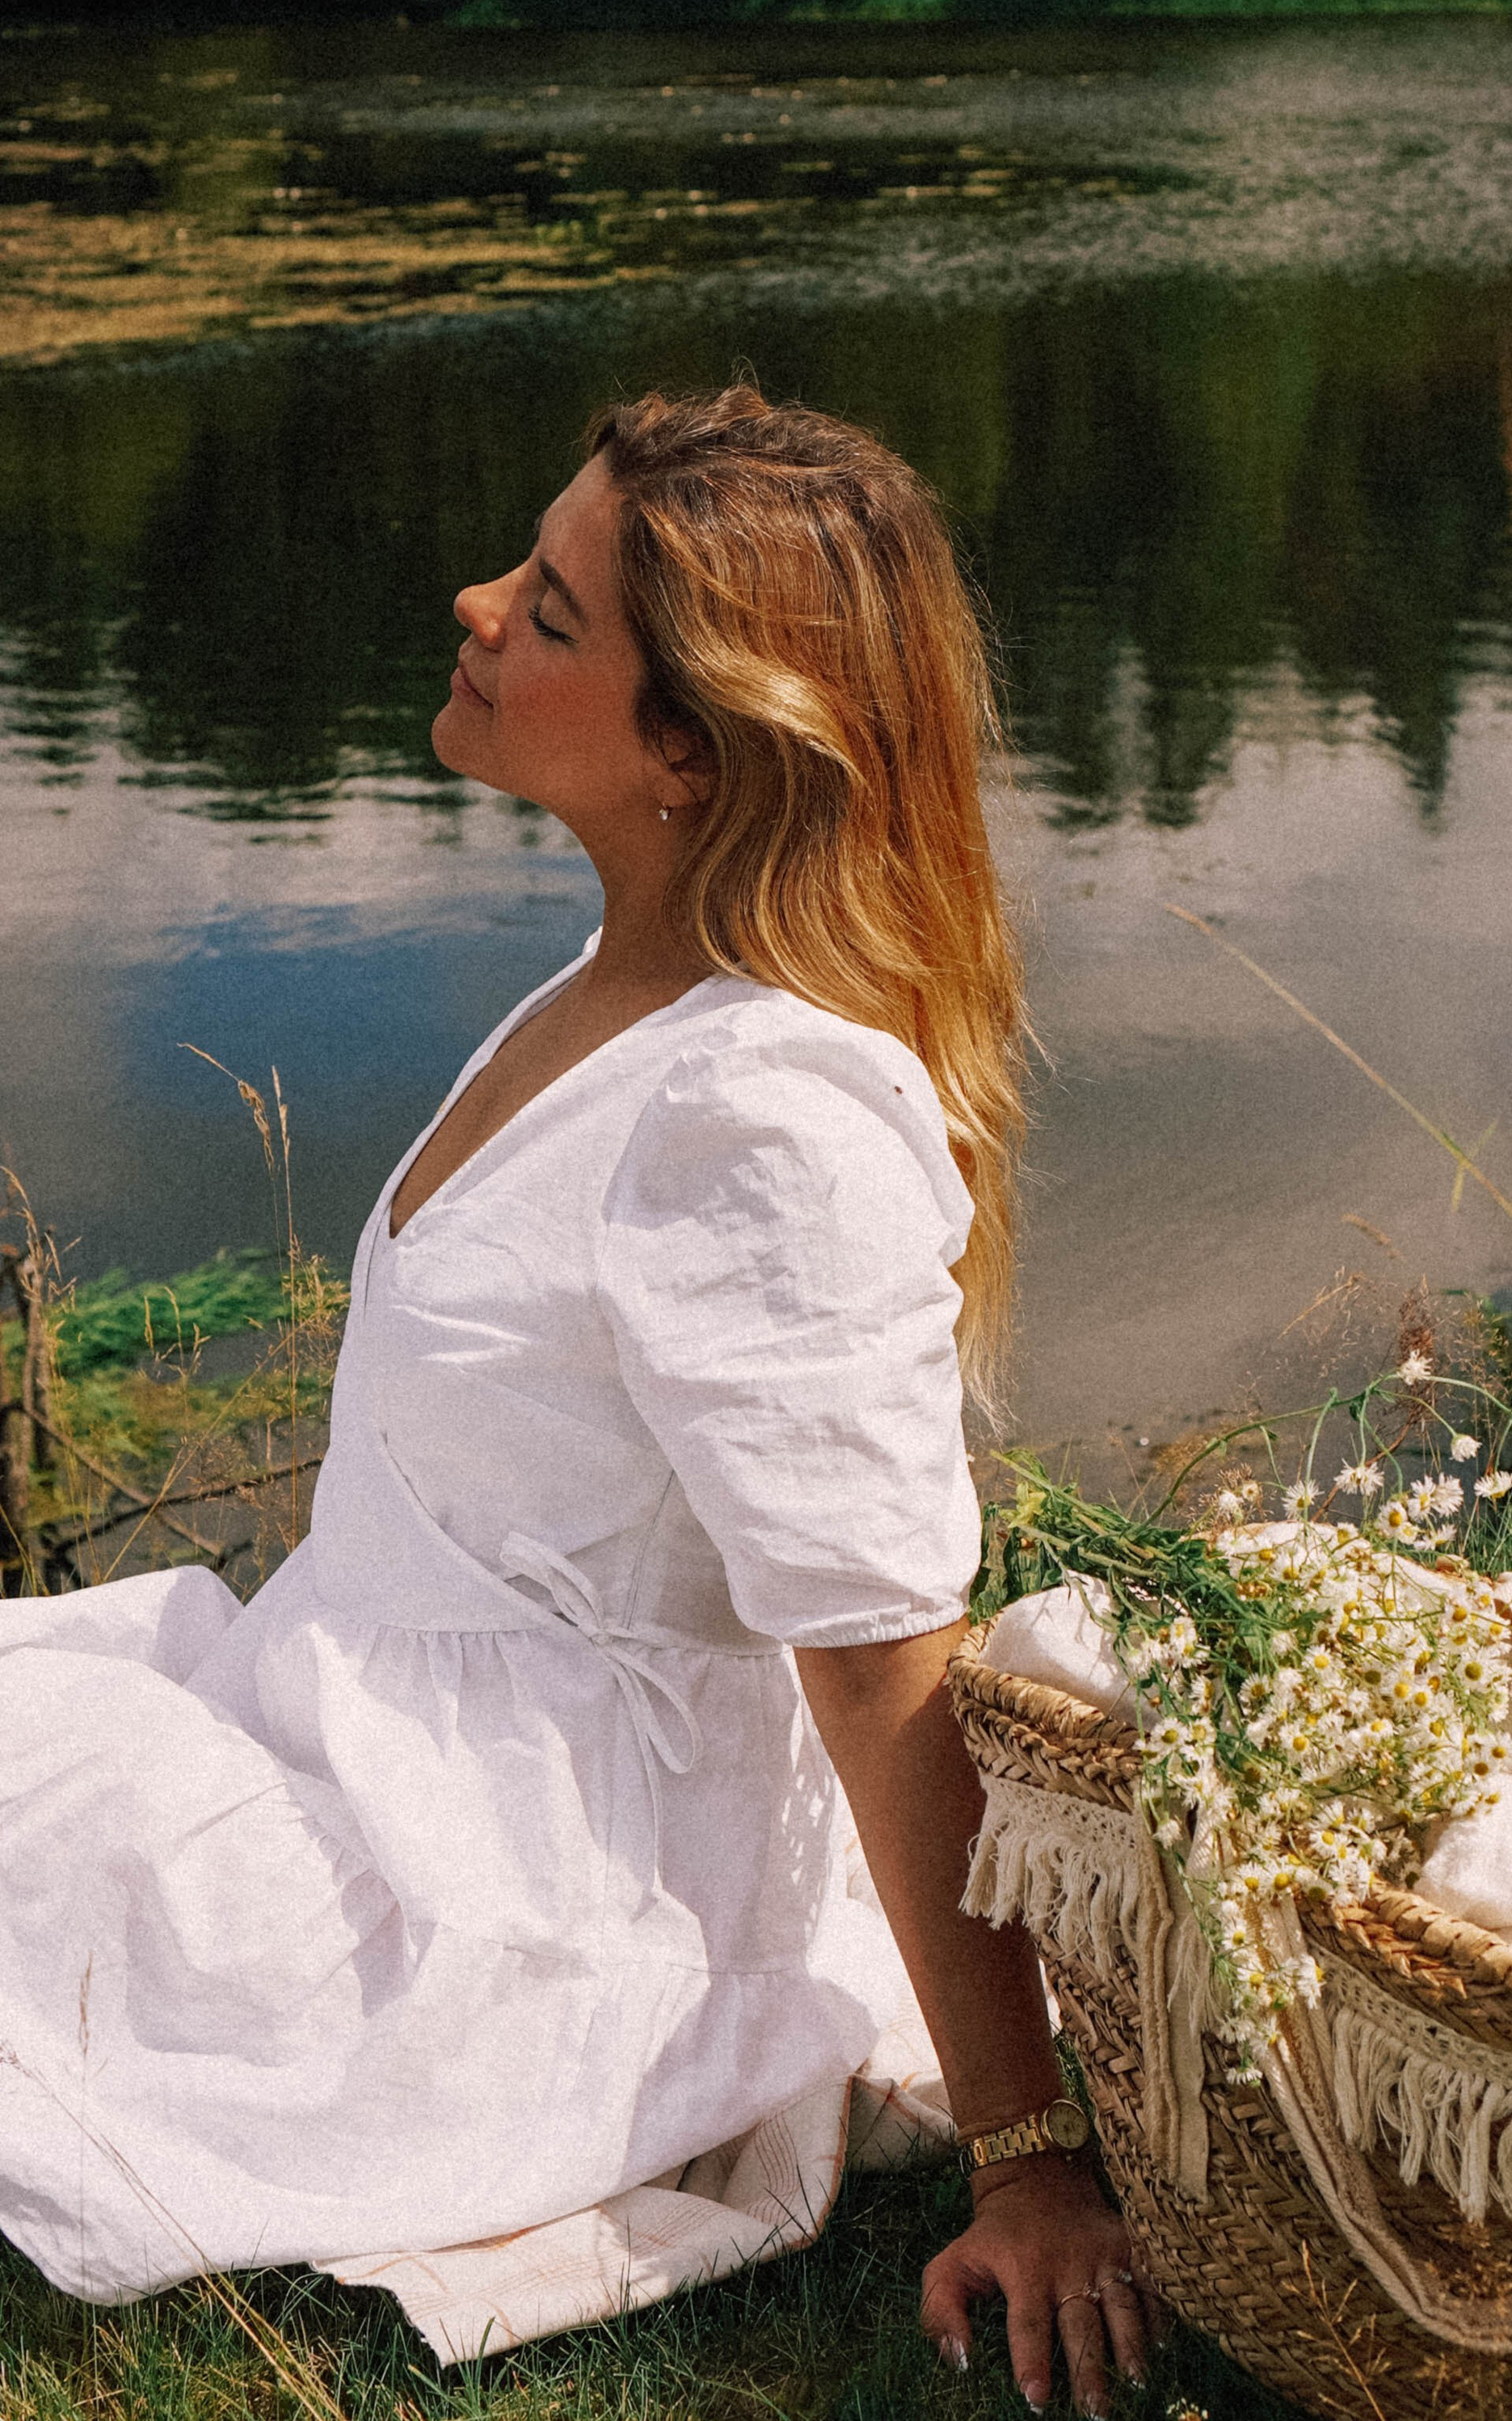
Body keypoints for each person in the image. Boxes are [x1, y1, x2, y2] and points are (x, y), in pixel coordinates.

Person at [0, 387, 1148, 2411]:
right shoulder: (614, 993)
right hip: (338, 1729)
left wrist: (1027, 2157)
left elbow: (881, 1660)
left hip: (499, 1893)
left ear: (691, 752)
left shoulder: (761, 1120)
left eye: (545, 610)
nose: (473, 604)